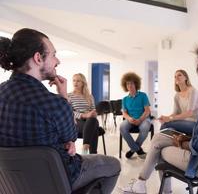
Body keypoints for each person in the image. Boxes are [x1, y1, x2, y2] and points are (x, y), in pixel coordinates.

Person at [0, 28, 120, 193]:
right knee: (113, 164)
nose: (58, 61)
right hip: (58, 176)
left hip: (14, 183)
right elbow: (70, 136)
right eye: (53, 54)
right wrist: (63, 96)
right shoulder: (53, 103)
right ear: (38, 58)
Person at [121, 39, 198, 194]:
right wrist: (184, 138)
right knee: (160, 137)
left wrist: (183, 143)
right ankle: (141, 184)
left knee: (159, 148)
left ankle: (149, 187)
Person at [159, 69, 198, 135]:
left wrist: (170, 118)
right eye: (175, 76)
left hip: (195, 123)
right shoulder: (177, 96)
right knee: (165, 124)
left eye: (179, 75)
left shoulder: (193, 91)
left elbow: (189, 113)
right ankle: (176, 141)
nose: (177, 77)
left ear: (186, 78)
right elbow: (175, 113)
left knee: (166, 126)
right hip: (184, 121)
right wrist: (166, 118)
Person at [120, 72, 151, 159]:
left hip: (143, 118)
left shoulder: (143, 95)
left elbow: (147, 111)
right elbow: (124, 113)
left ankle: (133, 150)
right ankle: (138, 149)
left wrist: (140, 119)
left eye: (131, 83)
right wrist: (129, 119)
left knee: (145, 127)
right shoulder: (125, 99)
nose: (129, 85)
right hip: (131, 119)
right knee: (122, 127)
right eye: (127, 83)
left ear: (136, 84)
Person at [68, 73, 101, 154]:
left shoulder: (90, 96)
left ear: (83, 83)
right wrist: (84, 115)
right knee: (94, 128)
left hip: (89, 121)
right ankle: (92, 153)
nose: (75, 83)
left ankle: (85, 149)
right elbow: (69, 112)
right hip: (76, 122)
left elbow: (93, 110)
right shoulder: (69, 96)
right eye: (74, 81)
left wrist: (93, 113)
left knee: (92, 121)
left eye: (78, 81)